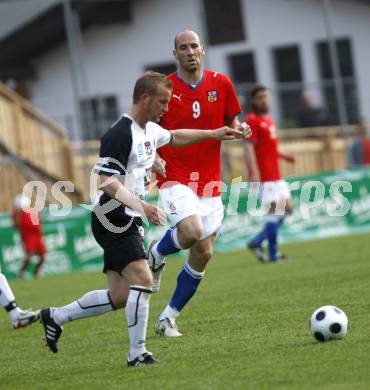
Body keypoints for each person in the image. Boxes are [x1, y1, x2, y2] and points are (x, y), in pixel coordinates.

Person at [38, 71, 247, 366]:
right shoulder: (119, 133)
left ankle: (56, 316)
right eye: (163, 102)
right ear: (145, 98)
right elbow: (106, 182)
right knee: (143, 279)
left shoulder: (149, 129)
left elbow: (175, 137)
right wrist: (143, 205)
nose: (166, 108)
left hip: (129, 217)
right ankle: (138, 354)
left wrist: (214, 133)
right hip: (112, 216)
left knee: (121, 294)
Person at [146, 29, 251, 337]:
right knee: (190, 232)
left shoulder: (222, 83)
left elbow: (231, 123)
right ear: (174, 53)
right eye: (183, 47)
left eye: (194, 46)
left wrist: (240, 128)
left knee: (203, 252)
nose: (190, 51)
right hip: (174, 176)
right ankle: (157, 251)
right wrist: (151, 156)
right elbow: (145, 128)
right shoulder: (164, 88)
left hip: (209, 181)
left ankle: (167, 318)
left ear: (203, 50)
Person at [244, 85, 295, 262]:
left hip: (276, 175)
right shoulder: (252, 119)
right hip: (264, 177)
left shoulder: (269, 120)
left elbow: (269, 149)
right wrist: (255, 173)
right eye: (260, 97)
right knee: (275, 212)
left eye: (266, 96)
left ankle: (257, 241)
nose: (264, 100)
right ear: (253, 101)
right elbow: (249, 148)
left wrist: (284, 156)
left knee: (288, 209)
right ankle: (273, 254)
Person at [12, 194, 47, 278]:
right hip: (28, 237)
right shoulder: (18, 214)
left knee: (42, 257)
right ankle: (21, 273)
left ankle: (36, 273)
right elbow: (16, 225)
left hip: (37, 236)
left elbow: (40, 222)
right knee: (29, 255)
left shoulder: (33, 211)